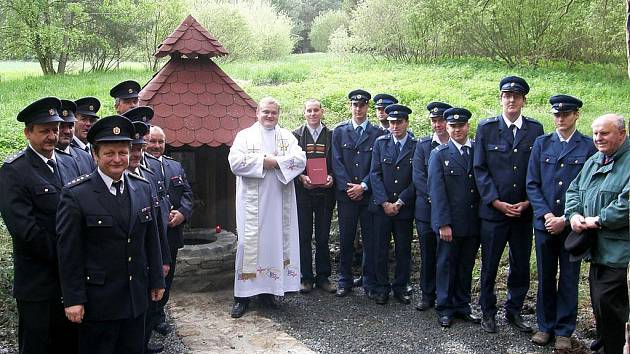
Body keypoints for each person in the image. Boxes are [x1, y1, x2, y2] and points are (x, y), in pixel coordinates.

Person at [56, 115, 165, 354]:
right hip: (98, 301)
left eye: (122, 152)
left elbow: (151, 240)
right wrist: (73, 299)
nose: (117, 159)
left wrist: (157, 278)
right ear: (95, 155)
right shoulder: (76, 194)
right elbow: (69, 253)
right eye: (109, 153)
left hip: (135, 297)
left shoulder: (143, 188)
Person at [0, 97, 78, 354]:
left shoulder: (68, 164)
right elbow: (25, 231)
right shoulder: (14, 171)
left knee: (68, 344)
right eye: (44, 130)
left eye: (55, 129)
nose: (52, 136)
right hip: (38, 283)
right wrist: (68, 258)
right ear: (28, 132)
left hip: (69, 283)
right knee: (37, 346)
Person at [474, 76, 544, 333]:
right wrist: (496, 201)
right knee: (490, 264)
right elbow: (479, 169)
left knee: (520, 265)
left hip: (523, 213)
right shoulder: (486, 128)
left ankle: (514, 311)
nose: (511, 100)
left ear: (524, 100)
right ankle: (487, 312)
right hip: (494, 212)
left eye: (516, 96)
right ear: (501, 99)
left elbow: (536, 169)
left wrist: (528, 202)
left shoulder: (535, 130)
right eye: (507, 95)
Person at [526, 95, 596, 349]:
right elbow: (532, 183)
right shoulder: (542, 143)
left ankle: (564, 330)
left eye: (565, 114)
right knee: (545, 276)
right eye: (556, 115)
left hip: (572, 227)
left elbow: (589, 188)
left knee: (569, 277)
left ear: (576, 115)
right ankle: (545, 326)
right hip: (544, 224)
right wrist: (547, 216)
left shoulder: (588, 147)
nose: (560, 119)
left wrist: (565, 219)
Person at [228, 97, 306, 318]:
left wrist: (277, 163)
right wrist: (265, 162)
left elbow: (300, 159)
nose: (270, 116)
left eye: (273, 112)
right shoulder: (244, 136)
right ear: (257, 113)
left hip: (279, 204)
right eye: (266, 112)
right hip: (252, 207)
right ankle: (242, 297)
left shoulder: (286, 136)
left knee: (273, 246)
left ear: (278, 114)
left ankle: (268, 292)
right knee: (247, 245)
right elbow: (235, 162)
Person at [565, 114, 630, 354]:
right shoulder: (595, 160)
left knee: (613, 308)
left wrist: (599, 220)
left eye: (604, 133)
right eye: (595, 134)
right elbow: (573, 190)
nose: (598, 138)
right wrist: (573, 215)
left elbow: (626, 205)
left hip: (620, 253)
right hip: (597, 250)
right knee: (600, 306)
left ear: (622, 134)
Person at [427, 107, 481, 327]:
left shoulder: (478, 150)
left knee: (466, 265)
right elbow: (436, 192)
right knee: (446, 264)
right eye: (453, 126)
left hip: (473, 221)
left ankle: (462, 304)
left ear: (468, 126)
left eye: (461, 126)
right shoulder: (439, 154)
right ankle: (444, 307)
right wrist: (443, 223)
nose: (457, 130)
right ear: (447, 128)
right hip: (450, 223)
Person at [331, 89, 386, 298]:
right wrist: (349, 187)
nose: (358, 109)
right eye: (354, 105)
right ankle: (344, 280)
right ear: (350, 106)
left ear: (367, 107)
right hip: (346, 196)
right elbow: (336, 162)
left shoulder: (378, 134)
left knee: (370, 240)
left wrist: (363, 186)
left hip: (368, 195)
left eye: (362, 105)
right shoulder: (340, 131)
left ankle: (369, 282)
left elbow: (377, 166)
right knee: (345, 239)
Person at [125, 119, 172, 354]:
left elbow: (155, 227)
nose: (136, 153)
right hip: (124, 263)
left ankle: (142, 345)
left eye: (138, 148)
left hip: (146, 259)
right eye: (131, 148)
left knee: (143, 312)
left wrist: (162, 260)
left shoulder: (148, 175)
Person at [145, 124, 193, 334]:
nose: (156, 146)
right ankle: (147, 319)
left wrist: (182, 213)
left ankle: (159, 315)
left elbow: (187, 194)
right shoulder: (139, 166)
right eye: (152, 141)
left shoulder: (175, 166)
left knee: (168, 276)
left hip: (172, 232)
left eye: (160, 142)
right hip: (151, 234)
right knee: (151, 276)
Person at [369, 104, 417, 305]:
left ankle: (400, 286)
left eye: (399, 122)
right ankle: (381, 287)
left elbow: (417, 179)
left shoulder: (416, 145)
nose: (395, 126)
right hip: (382, 208)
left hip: (404, 208)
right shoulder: (381, 143)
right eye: (391, 122)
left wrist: (400, 201)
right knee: (380, 249)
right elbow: (375, 173)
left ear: (406, 123)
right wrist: (384, 202)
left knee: (403, 249)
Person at [293, 99, 336, 294]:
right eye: (309, 110)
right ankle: (306, 277)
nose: (312, 113)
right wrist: (300, 177)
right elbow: (290, 164)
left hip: (325, 194)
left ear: (322, 112)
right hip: (303, 194)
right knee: (303, 236)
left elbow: (337, 162)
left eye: (316, 110)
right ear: (304, 113)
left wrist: (332, 177)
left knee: (322, 237)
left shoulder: (332, 136)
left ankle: (323, 277)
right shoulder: (295, 136)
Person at [412, 101, 451, 311]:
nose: (437, 124)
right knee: (427, 253)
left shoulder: (458, 145)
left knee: (446, 256)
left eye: (441, 120)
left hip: (449, 213)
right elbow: (419, 178)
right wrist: (437, 199)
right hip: (426, 211)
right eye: (434, 121)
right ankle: (427, 295)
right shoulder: (423, 145)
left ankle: (445, 297)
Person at [56, 99, 95, 175]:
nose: (67, 131)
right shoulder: (48, 158)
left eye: (70, 126)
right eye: (61, 126)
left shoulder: (85, 156)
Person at [70, 97, 100, 163]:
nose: (88, 124)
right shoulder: (67, 149)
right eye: (83, 119)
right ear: (73, 121)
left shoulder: (97, 147)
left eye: (92, 120)